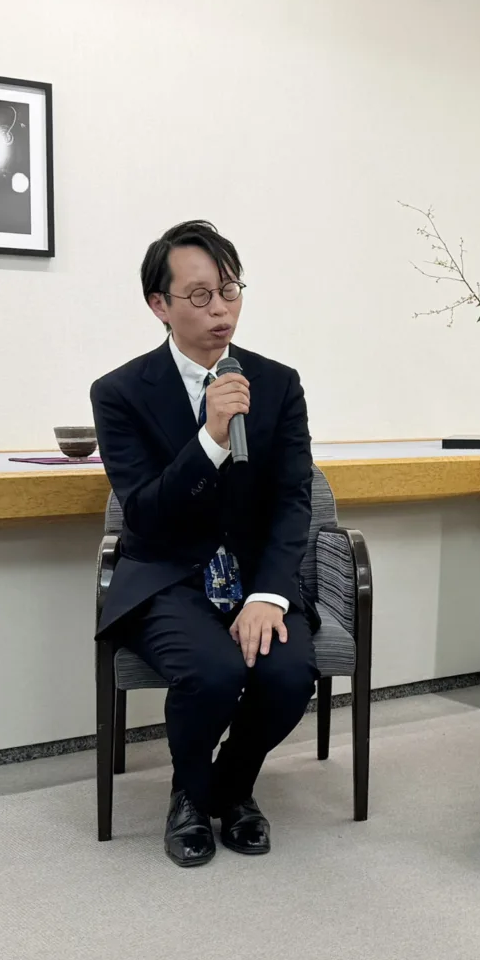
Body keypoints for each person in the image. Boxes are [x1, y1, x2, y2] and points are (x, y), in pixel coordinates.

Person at [90, 220, 319, 868]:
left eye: (229, 291)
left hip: (255, 579)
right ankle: (188, 795)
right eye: (199, 296)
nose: (221, 310)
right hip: (168, 577)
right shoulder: (120, 393)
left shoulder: (278, 383)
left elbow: (292, 500)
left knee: (288, 675)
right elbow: (145, 514)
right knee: (214, 672)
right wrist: (210, 441)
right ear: (159, 305)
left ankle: (230, 786)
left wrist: (269, 594)